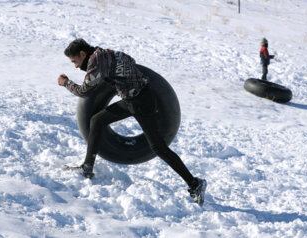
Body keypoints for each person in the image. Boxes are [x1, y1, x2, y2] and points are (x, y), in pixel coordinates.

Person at [57, 38, 207, 206]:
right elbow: (131, 61)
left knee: (158, 147)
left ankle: (195, 183)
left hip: (140, 103)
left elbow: (84, 91)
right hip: (134, 99)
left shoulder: (96, 61)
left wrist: (66, 83)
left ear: (83, 54)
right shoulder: (108, 53)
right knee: (97, 120)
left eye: (75, 61)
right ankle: (87, 167)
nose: (76, 66)